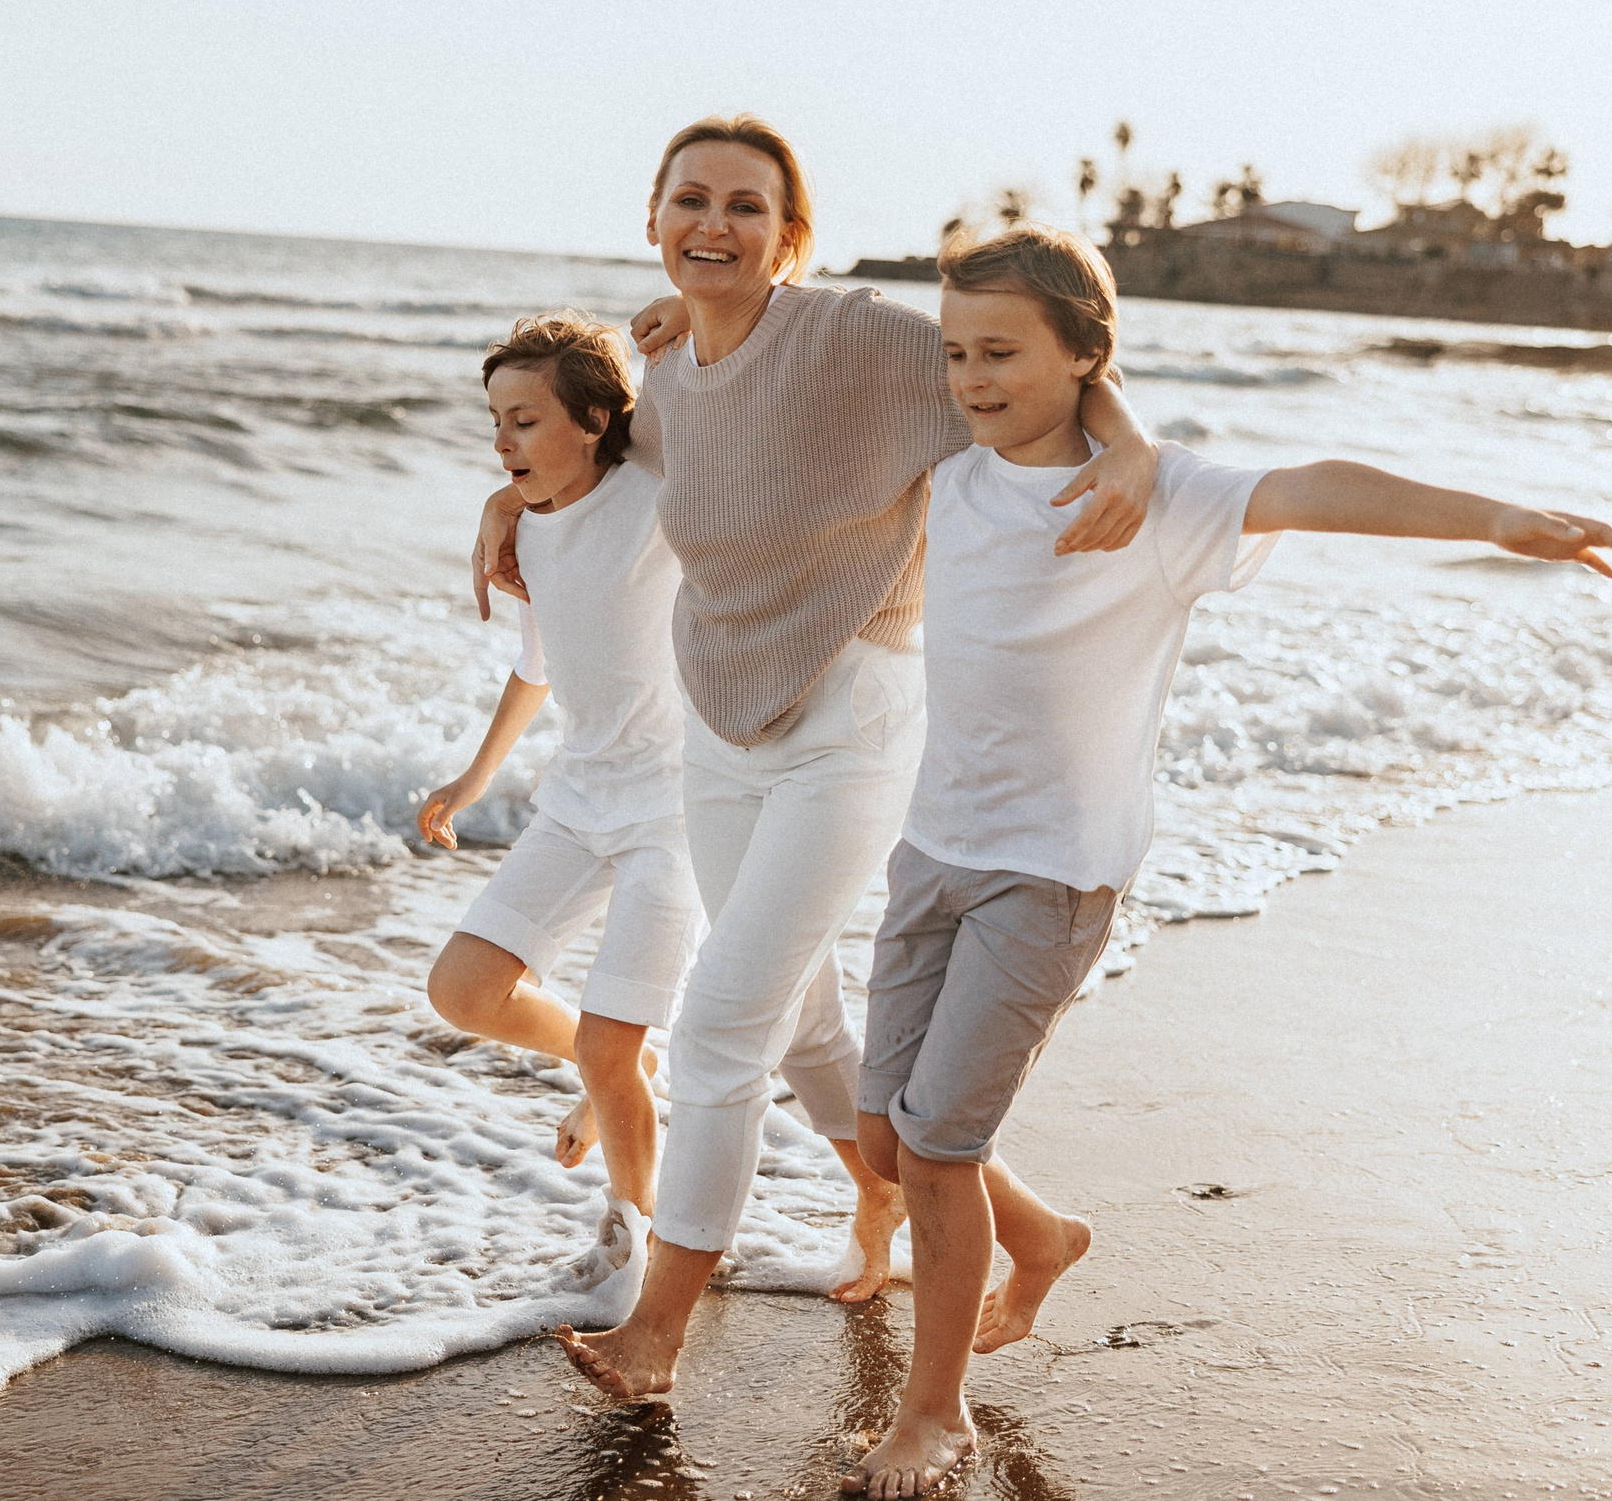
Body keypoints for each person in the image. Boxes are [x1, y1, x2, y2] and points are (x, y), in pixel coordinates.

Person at [841, 222, 1612, 1498]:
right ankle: (1042, 1236)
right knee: (888, 1138)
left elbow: (1313, 484)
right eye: (955, 354)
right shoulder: (957, 469)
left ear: (1082, 357)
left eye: (1001, 352)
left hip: (1051, 872)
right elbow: (807, 351)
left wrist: (1496, 518)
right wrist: (674, 337)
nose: (971, 378)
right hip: (932, 848)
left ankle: (934, 1412)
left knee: (938, 1154)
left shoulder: (1154, 502)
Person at [471, 114, 1166, 1402]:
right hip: (721, 730)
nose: (713, 225)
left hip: (853, 719)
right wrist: (507, 499)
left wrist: (1122, 443)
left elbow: (1035, 363)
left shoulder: (852, 338)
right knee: (796, 1021)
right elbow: (590, 457)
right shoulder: (667, 367)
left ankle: (657, 1330)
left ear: (791, 234)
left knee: (723, 1020)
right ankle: (1032, 1227)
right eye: (690, 201)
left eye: (746, 205)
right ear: (653, 220)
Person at [421, 313, 697, 1258]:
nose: (502, 441)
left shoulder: (657, 491)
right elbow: (539, 666)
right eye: (495, 420)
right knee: (463, 990)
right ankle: (623, 1061)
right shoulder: (528, 538)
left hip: (679, 811)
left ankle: (632, 1236)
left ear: (590, 419)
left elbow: (723, 382)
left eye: (526, 420)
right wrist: (472, 776)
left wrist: (698, 316)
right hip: (581, 802)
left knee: (607, 1055)